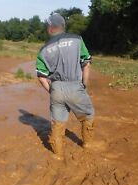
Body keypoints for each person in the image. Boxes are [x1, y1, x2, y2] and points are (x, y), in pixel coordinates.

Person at [36, 13, 106, 160]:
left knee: (58, 123)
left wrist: (53, 91)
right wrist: (84, 85)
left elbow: (42, 78)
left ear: (50, 28)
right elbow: (86, 63)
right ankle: (87, 144)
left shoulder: (43, 50)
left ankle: (58, 156)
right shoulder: (77, 39)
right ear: (63, 26)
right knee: (88, 115)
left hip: (56, 88)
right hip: (75, 85)